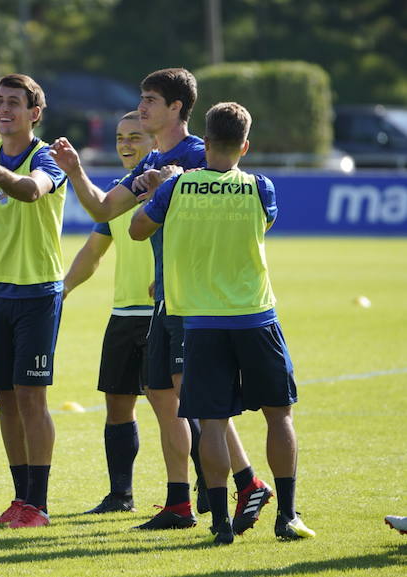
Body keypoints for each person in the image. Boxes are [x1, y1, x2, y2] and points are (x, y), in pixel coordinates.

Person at [52, 68, 268, 531]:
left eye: (150, 100)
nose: (142, 107)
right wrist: (74, 171)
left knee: (189, 399)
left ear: (176, 108)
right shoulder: (151, 161)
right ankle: (191, 498)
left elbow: (224, 217)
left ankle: (234, 486)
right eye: (142, 98)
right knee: (166, 395)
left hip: (194, 302)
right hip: (167, 299)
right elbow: (106, 209)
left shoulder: (196, 155)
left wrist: (176, 266)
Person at [130, 101, 315, 544]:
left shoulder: (178, 187)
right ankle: (286, 515)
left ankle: (218, 525)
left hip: (200, 320)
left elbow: (138, 229)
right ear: (245, 145)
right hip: (255, 316)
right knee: (279, 415)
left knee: (211, 421)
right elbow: (265, 224)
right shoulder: (259, 187)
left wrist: (163, 188)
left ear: (205, 142)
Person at [0, 74, 65, 528]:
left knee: (30, 396)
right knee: (5, 397)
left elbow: (31, 190)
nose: (3, 109)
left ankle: (37, 505)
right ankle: (20, 499)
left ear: (34, 113)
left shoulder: (46, 156)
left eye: (14, 103)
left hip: (37, 290)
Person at [62, 111, 155, 514]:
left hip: (165, 312)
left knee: (179, 407)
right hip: (124, 314)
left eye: (136, 136)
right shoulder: (118, 194)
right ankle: (121, 496)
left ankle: (203, 491)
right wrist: (61, 289)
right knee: (117, 405)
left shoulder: (166, 188)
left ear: (155, 141)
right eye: (120, 137)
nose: (126, 145)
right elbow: (93, 252)